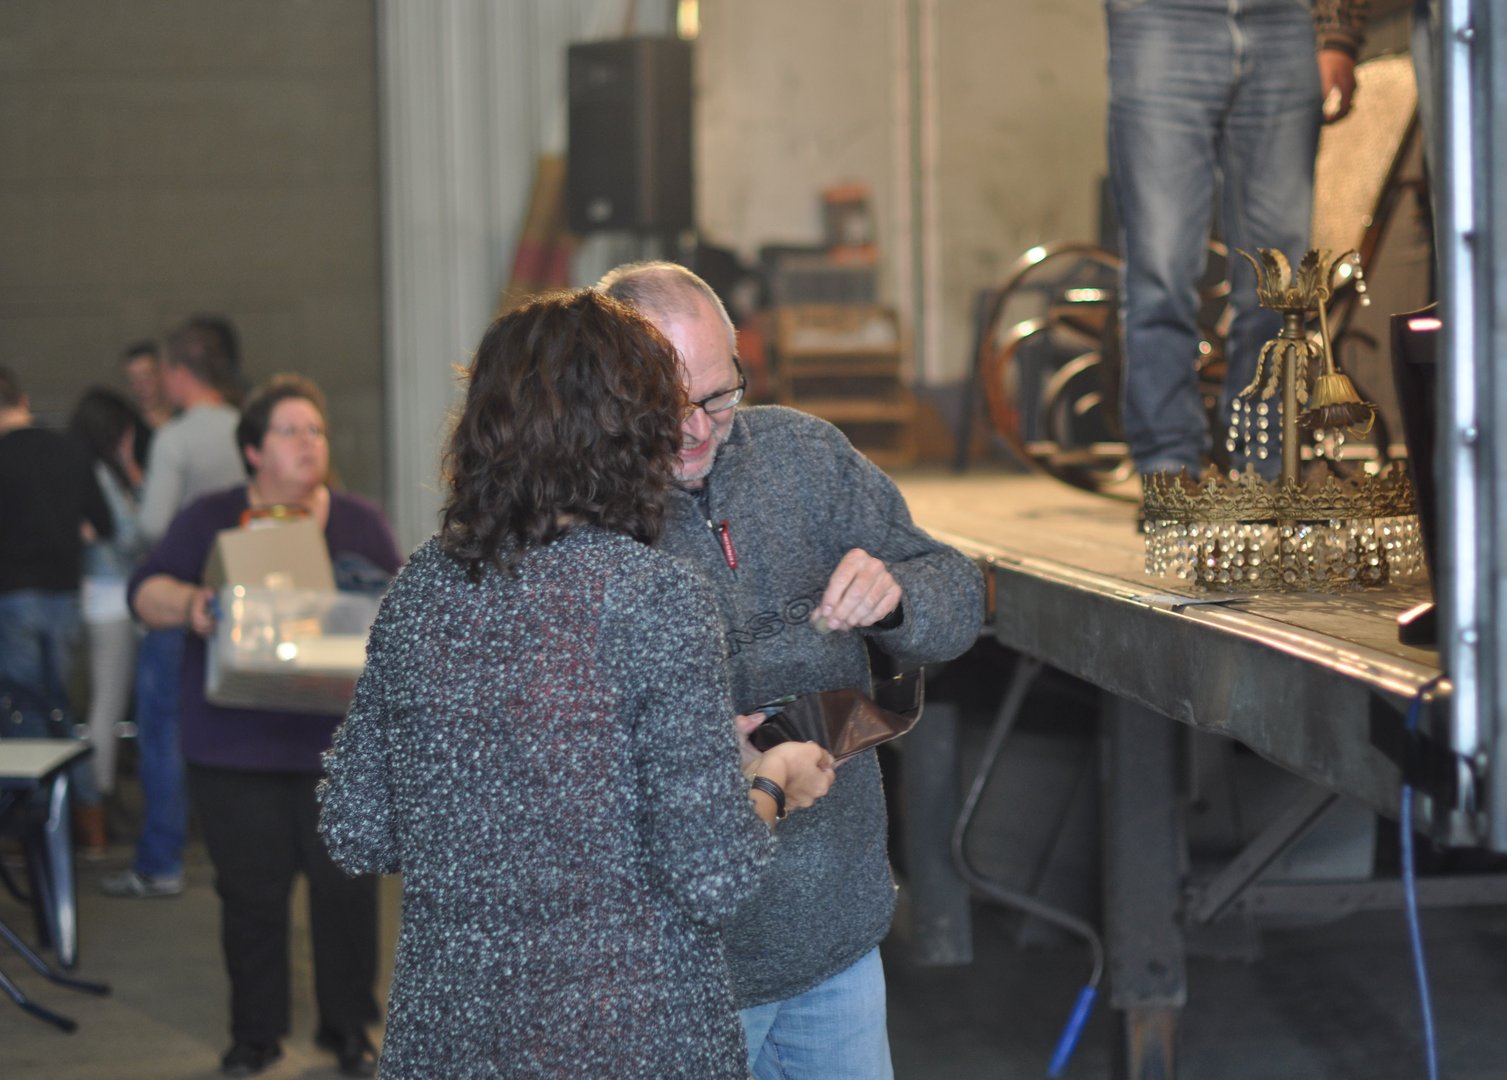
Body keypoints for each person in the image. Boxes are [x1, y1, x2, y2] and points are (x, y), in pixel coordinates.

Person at [318, 290, 836, 1078]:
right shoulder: (654, 596)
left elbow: (358, 828)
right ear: (629, 432)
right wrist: (771, 778)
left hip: (453, 1041)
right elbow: (715, 877)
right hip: (628, 1036)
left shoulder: (423, 587)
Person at [598, 262, 987, 1080]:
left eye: (718, 396)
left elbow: (956, 594)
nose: (696, 430)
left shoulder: (806, 456)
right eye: (663, 405)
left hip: (836, 944)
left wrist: (898, 597)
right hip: (682, 971)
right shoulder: (580, 511)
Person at [128, 374, 400, 1078]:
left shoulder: (359, 523)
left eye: (317, 431)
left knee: (347, 896)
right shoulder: (211, 518)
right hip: (236, 748)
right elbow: (145, 592)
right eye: (290, 431)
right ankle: (255, 1034)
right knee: (250, 897)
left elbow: (402, 615)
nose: (309, 443)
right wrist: (193, 603)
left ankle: (348, 1029)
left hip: (338, 752)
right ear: (253, 449)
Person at [1107, 0, 1369, 479]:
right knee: (1160, 265)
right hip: (1161, 16)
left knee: (1279, 276)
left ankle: (1265, 470)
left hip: (1286, 21)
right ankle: (1168, 468)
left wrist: (1338, 35)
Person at [104, 320, 246, 899]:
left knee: (162, 732)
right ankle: (234, 854)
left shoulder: (176, 438)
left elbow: (153, 527)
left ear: (179, 373)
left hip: (179, 601)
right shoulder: (246, 427)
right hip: (242, 599)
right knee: (235, 729)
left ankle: (161, 861)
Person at [0, 365, 112, 841]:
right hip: (66, 595)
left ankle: (39, 827)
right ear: (23, 400)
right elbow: (104, 524)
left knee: (23, 711)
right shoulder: (71, 450)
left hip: (13, 596)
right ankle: (89, 817)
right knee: (62, 707)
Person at [67, 387, 150, 855]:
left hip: (86, 597)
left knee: (95, 709)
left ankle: (90, 803)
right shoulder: (104, 474)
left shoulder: (74, 470)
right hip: (113, 599)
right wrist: (137, 480)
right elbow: (129, 538)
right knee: (107, 710)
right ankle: (93, 805)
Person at [121, 340, 167, 467]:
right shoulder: (127, 432)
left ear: (162, 375)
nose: (141, 386)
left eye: (147, 376)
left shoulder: (184, 419)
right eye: (133, 380)